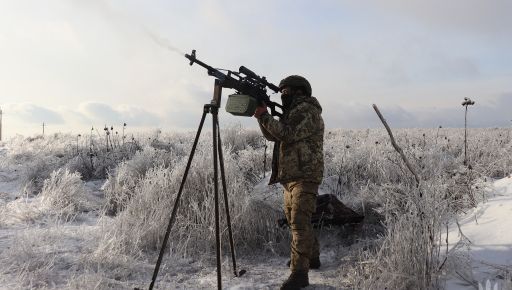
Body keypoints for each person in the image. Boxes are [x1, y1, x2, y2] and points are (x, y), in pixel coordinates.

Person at [254, 75, 324, 290]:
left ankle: (299, 274)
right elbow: (274, 136)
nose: (283, 95)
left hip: (305, 175)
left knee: (299, 223)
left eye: (286, 92)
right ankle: (311, 258)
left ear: (299, 92)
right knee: (298, 220)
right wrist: (261, 116)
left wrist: (265, 116)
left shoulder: (307, 111)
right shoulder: (293, 112)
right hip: (292, 176)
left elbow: (288, 133)